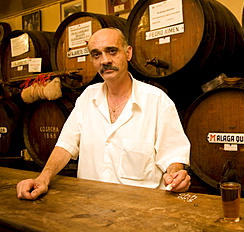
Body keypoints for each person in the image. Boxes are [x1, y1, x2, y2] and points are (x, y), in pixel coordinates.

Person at [16, 28, 191, 200]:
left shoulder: (157, 100)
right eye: (96, 54)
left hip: (141, 210)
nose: (104, 60)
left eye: (112, 51)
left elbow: (173, 154)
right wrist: (43, 178)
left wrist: (175, 176)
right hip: (90, 207)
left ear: (128, 53)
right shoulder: (87, 97)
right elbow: (66, 145)